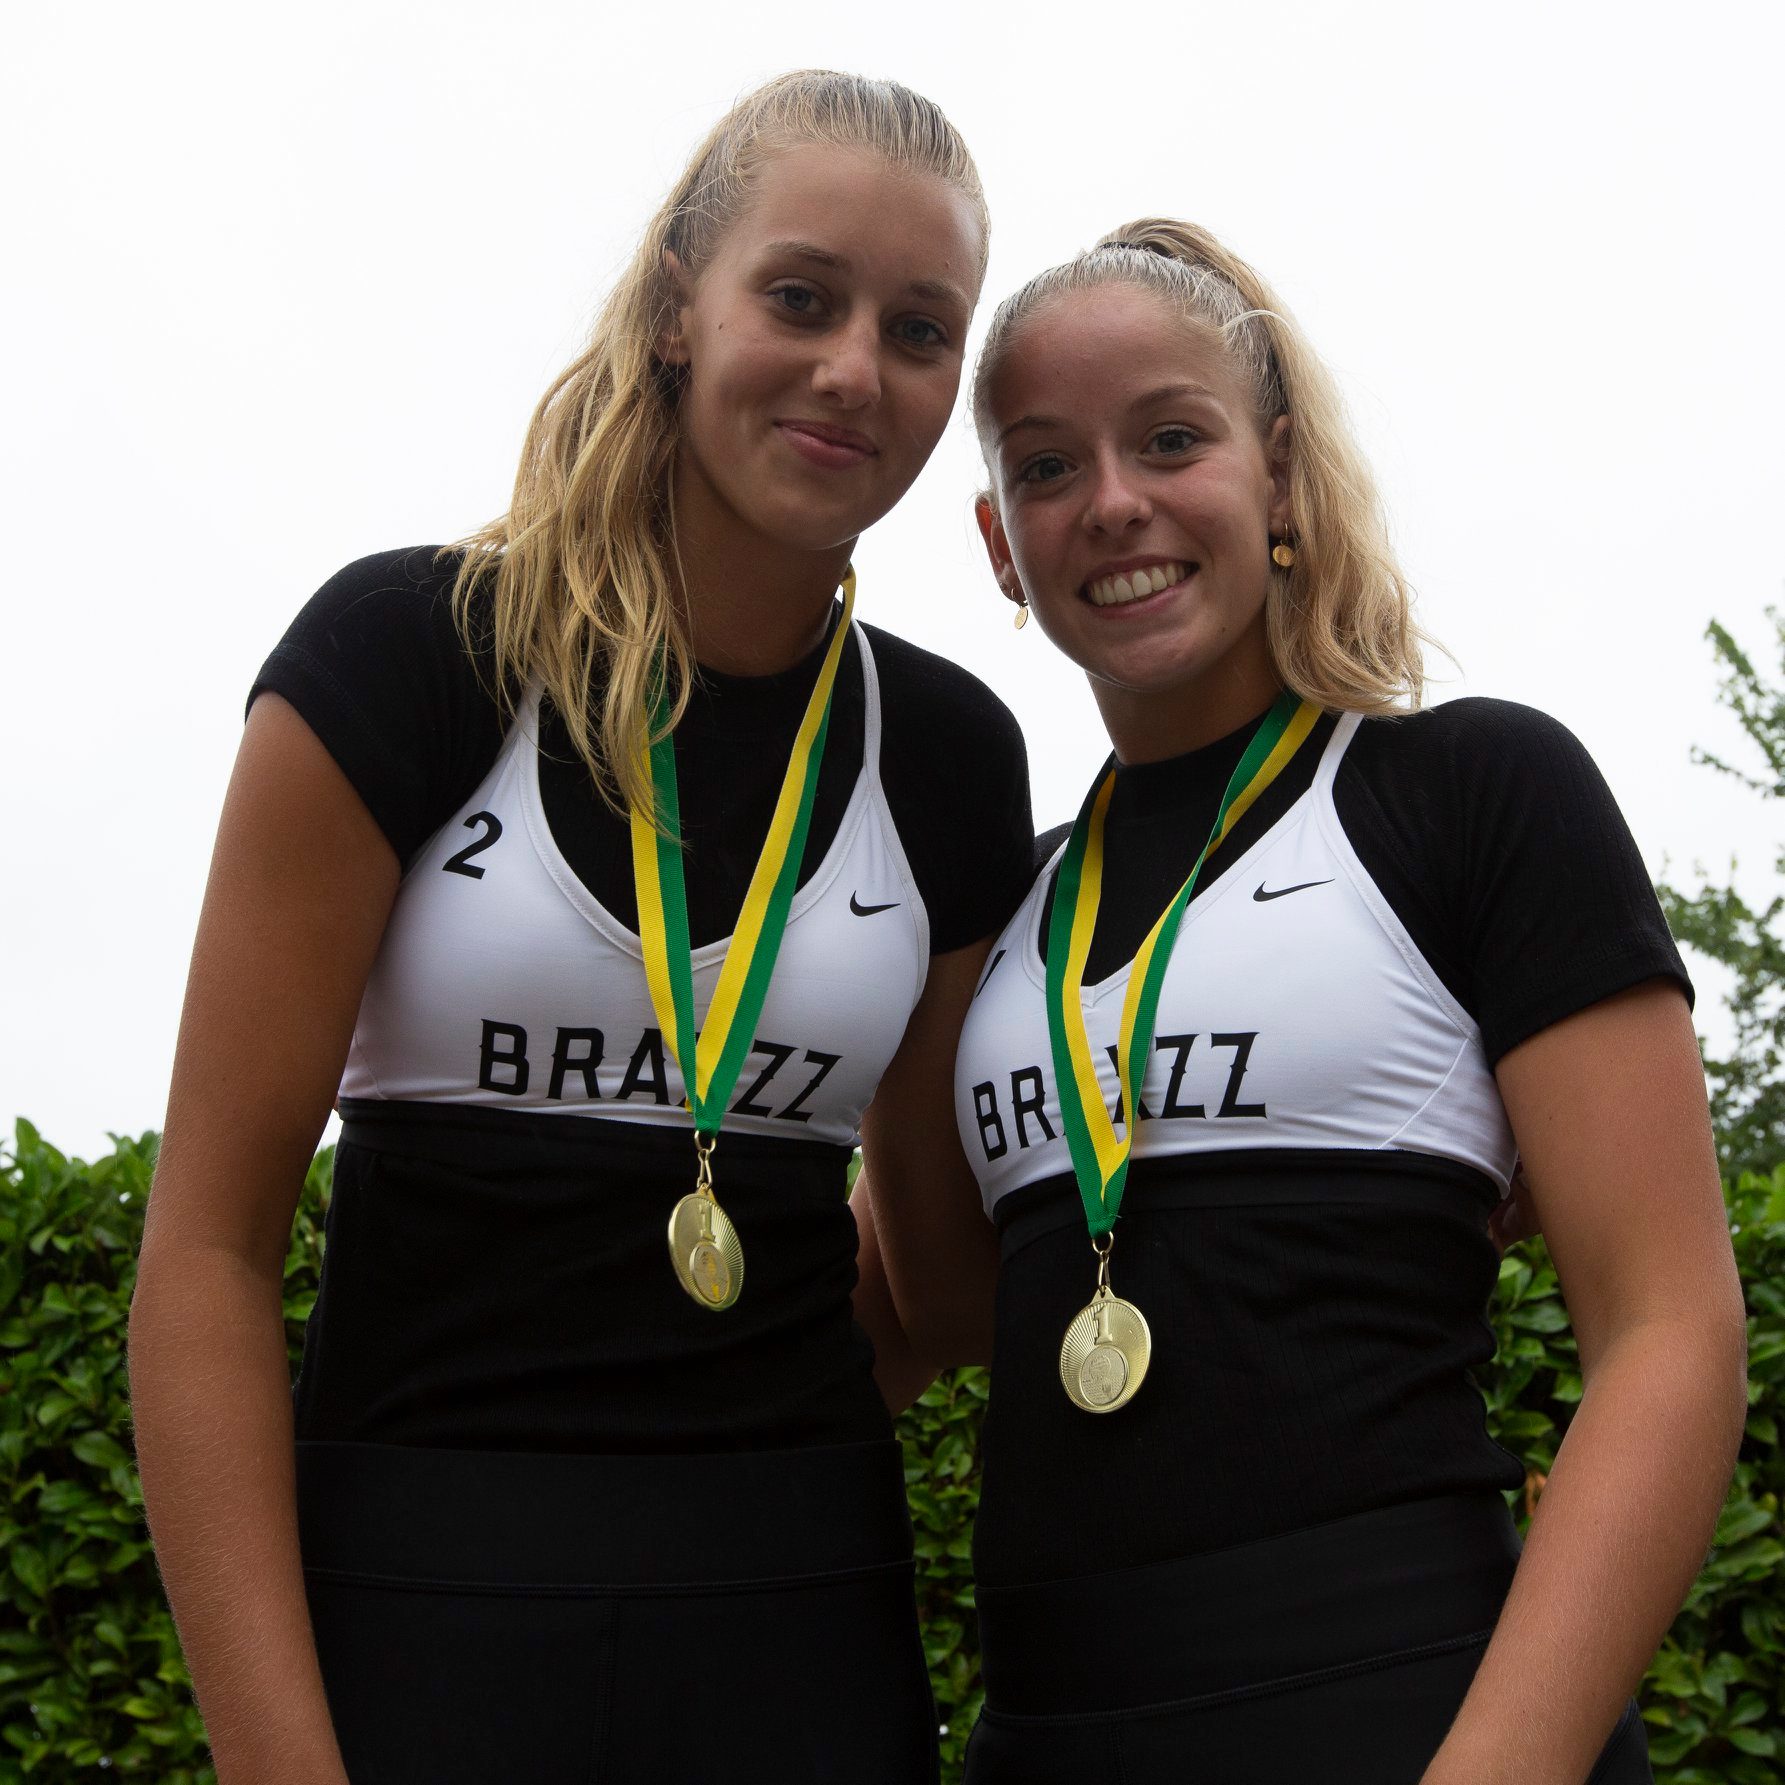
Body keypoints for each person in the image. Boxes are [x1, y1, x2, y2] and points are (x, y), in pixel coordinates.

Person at [127, 71, 1032, 1785]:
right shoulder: (406, 655)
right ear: (680, 304)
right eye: (799, 295)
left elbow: (944, 1276)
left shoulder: (954, 752)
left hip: (798, 1617)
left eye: (921, 330)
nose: (854, 366)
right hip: (417, 1601)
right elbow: (207, 1261)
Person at [923, 219, 1745, 1782]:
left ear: (1280, 474)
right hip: (1046, 1731)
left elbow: (1668, 1329)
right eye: (1044, 466)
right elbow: (925, 1303)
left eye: (1171, 438)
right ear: (993, 544)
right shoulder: (1003, 903)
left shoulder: (1471, 790)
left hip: (1406, 1708)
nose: (1111, 503)